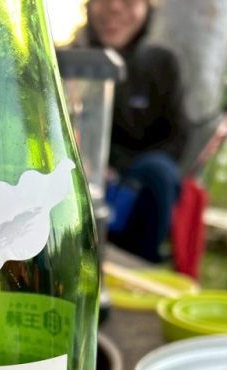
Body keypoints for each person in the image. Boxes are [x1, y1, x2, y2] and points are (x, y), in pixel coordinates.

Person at [78, 0, 189, 262]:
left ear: (147, 9)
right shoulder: (64, 62)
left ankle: (141, 264)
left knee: (159, 171)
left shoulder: (162, 64)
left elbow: (176, 139)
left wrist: (117, 168)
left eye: (129, 1)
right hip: (78, 173)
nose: (115, 8)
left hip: (137, 180)